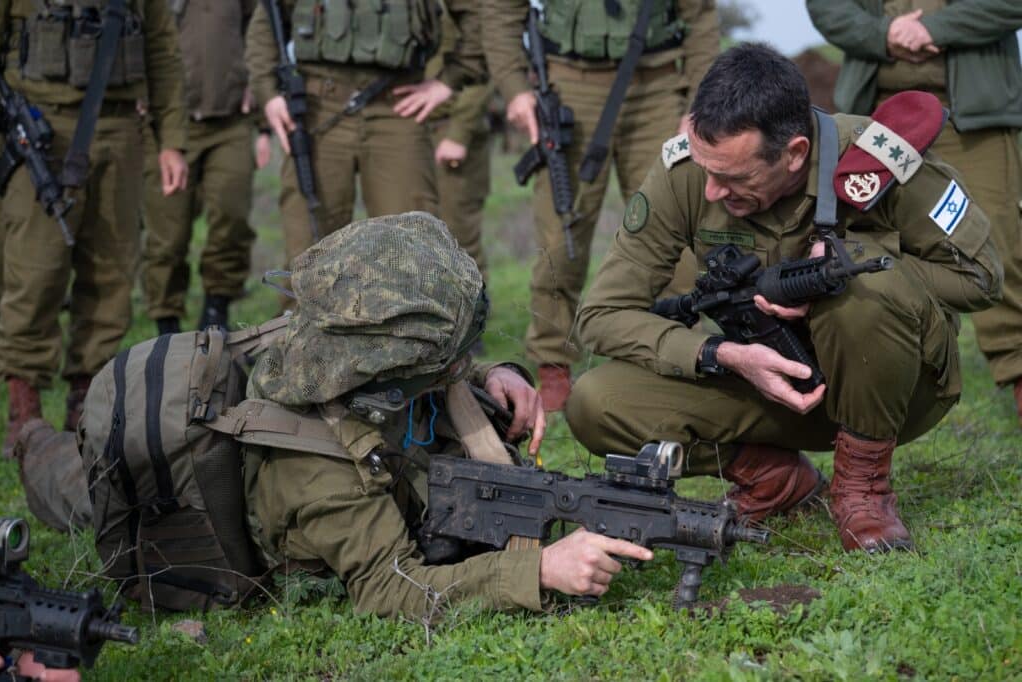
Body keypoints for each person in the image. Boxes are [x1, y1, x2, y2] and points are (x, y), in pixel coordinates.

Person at [565, 43, 1002, 553]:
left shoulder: (877, 160)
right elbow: (599, 316)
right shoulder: (689, 171)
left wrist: (855, 262)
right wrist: (719, 354)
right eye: (708, 171)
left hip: (895, 393)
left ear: (794, 153)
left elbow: (981, 278)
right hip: (767, 384)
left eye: (732, 178)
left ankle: (863, 489)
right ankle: (775, 479)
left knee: (862, 286)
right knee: (595, 403)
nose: (710, 192)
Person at [242, 212, 653, 618]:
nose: (457, 366)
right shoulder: (317, 464)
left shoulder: (361, 373)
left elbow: (414, 372)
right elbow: (389, 588)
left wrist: (494, 375)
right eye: (447, 361)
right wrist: (540, 569)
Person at [483, 0, 720, 411]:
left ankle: (678, 359)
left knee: (676, 233)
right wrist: (514, 89)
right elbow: (500, 10)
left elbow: (700, 15)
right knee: (560, 237)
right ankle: (553, 365)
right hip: (567, 85)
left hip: (658, 84)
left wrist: (697, 103)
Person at [806, 0, 1022, 422]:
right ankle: (865, 401)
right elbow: (826, 6)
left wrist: (934, 29)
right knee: (859, 250)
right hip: (877, 114)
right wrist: (883, 35)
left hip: (975, 120)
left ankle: (1017, 371)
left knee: (1000, 248)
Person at [0, 0, 187, 456]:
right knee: (35, 273)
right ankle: (24, 410)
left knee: (110, 270)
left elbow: (162, 49)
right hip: (40, 127)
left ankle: (87, 399)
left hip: (120, 129)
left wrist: (172, 142)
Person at [244, 0, 486, 294]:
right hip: (316, 108)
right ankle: (307, 339)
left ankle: (407, 338)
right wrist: (268, 94)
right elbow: (265, 23)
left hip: (397, 107)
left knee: (410, 254)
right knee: (308, 258)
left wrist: (451, 80)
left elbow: (480, 14)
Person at [140, 0, 268, 336]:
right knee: (168, 235)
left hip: (231, 122)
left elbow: (262, 31)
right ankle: (165, 324)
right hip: (168, 126)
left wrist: (256, 85)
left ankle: (217, 312)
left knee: (232, 216)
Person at [425, 12, 494, 297]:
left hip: (451, 129)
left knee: (459, 240)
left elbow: (485, 63)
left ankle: (471, 329)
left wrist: (459, 132)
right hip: (405, 131)